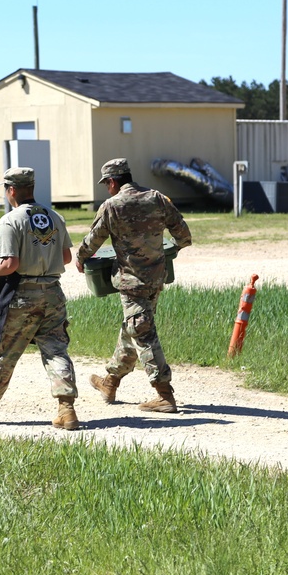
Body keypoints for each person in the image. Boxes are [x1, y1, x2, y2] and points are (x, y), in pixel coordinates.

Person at [0, 166, 80, 430]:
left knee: (4, 349)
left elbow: (11, 264)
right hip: (53, 293)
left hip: (23, 295)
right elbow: (65, 258)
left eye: (6, 190)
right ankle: (66, 410)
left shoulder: (11, 220)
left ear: (12, 190)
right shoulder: (55, 216)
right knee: (55, 349)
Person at [76, 157, 192, 413]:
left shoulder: (112, 206)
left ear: (113, 181)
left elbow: (93, 240)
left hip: (131, 282)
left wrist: (81, 257)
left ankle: (164, 394)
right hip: (156, 278)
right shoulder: (158, 198)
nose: (107, 188)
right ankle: (111, 381)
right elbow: (184, 236)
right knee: (134, 327)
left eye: (107, 183)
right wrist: (164, 252)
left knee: (141, 330)